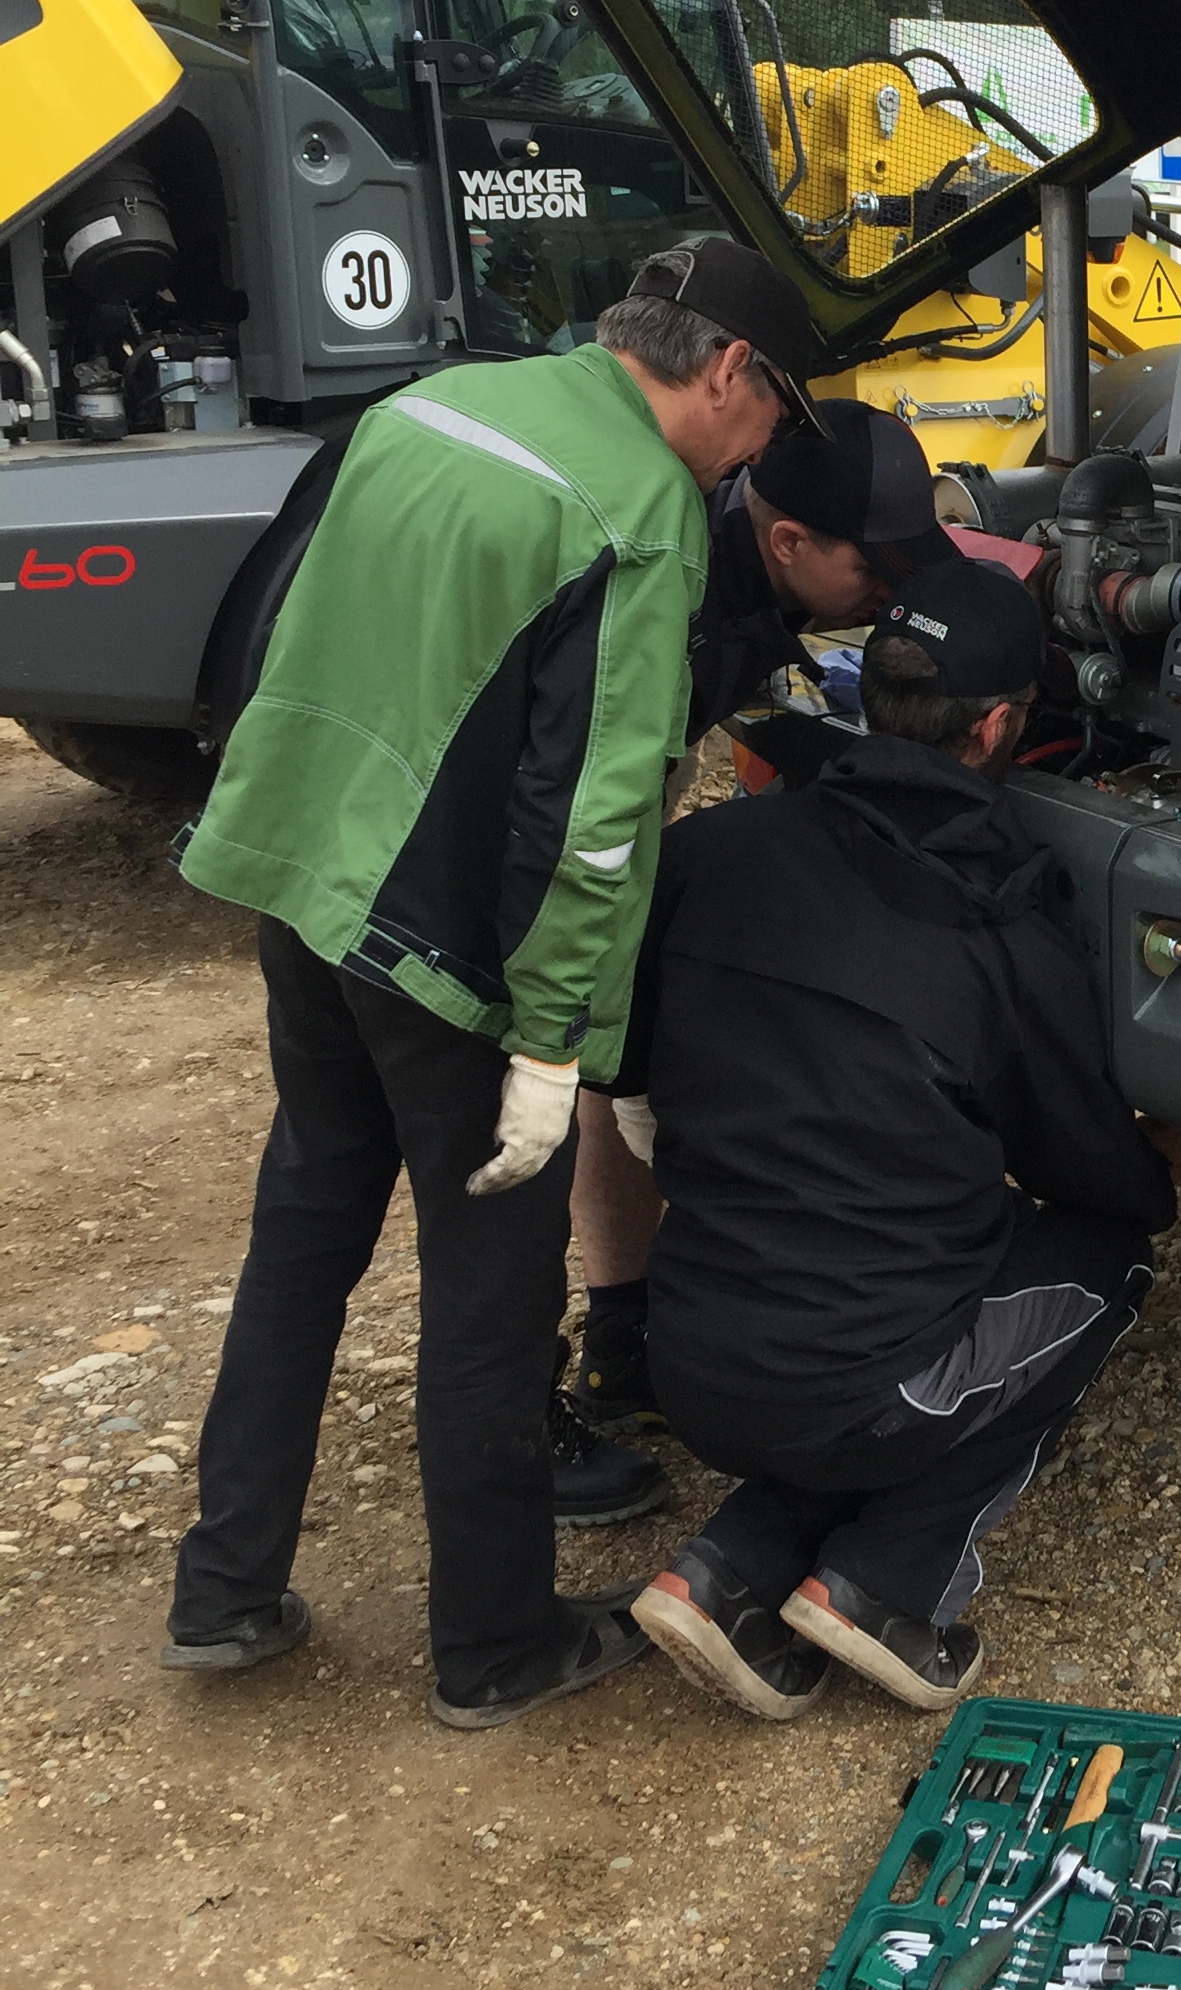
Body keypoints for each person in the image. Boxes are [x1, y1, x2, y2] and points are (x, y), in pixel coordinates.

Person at [163, 239, 819, 1729]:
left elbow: (283, 628)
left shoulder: (431, 407)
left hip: (301, 881)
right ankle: (497, 1645)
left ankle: (225, 1592)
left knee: (302, 1237)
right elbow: (590, 818)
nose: (762, 451)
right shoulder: (640, 511)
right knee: (490, 1298)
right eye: (774, 413)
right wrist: (553, 1043)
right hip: (439, 956)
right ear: (729, 370)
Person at [616, 558, 1181, 1721]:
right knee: (1102, 1261)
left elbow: (619, 1063)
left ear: (870, 696)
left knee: (859, 1326)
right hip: (852, 1391)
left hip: (691, 1359)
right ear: (998, 727)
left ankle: (725, 1568)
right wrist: (1157, 1160)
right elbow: (1091, 1178)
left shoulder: (713, 855)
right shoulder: (998, 932)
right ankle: (885, 1587)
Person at [567, 400, 953, 1437]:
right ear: (787, 542)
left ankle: (635, 1328)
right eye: (873, 569)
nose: (888, 593)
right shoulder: (676, 596)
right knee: (603, 1048)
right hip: (570, 819)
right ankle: (612, 1346)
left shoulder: (749, 564)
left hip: (623, 776)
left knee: (617, 1041)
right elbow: (590, 798)